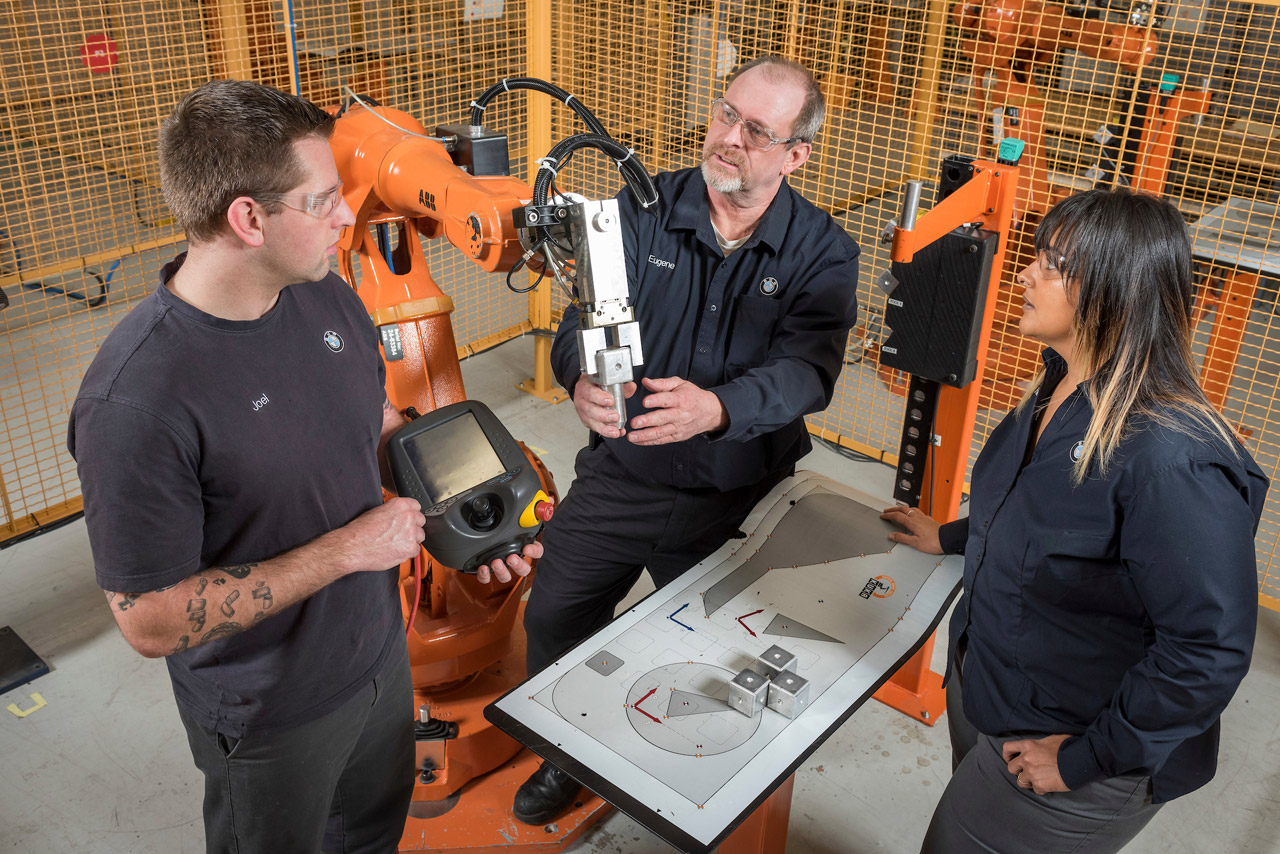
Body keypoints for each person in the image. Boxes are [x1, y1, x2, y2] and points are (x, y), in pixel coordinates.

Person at [67, 80, 539, 854]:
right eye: (323, 202)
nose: (349, 216)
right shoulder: (136, 402)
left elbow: (376, 422)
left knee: (370, 838)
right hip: (271, 713)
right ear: (248, 219)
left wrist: (464, 516)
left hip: (378, 660)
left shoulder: (324, 298)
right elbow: (149, 620)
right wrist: (352, 551)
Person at [513, 55, 861, 825]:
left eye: (756, 130)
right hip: (624, 473)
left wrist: (720, 408)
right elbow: (582, 318)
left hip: (735, 492)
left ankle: (676, 765)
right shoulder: (640, 209)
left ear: (795, 154)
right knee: (554, 613)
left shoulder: (822, 252)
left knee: (711, 657)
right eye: (725, 113)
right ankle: (563, 756)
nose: (729, 137)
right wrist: (578, 378)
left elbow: (810, 372)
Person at [882, 188, 1268, 853]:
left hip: (1077, 743)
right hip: (998, 691)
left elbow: (1208, 650)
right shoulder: (1057, 381)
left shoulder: (1168, 456)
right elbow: (1039, 516)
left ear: (1115, 290)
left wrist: (1085, 759)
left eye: (1054, 264)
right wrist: (950, 536)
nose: (1027, 273)